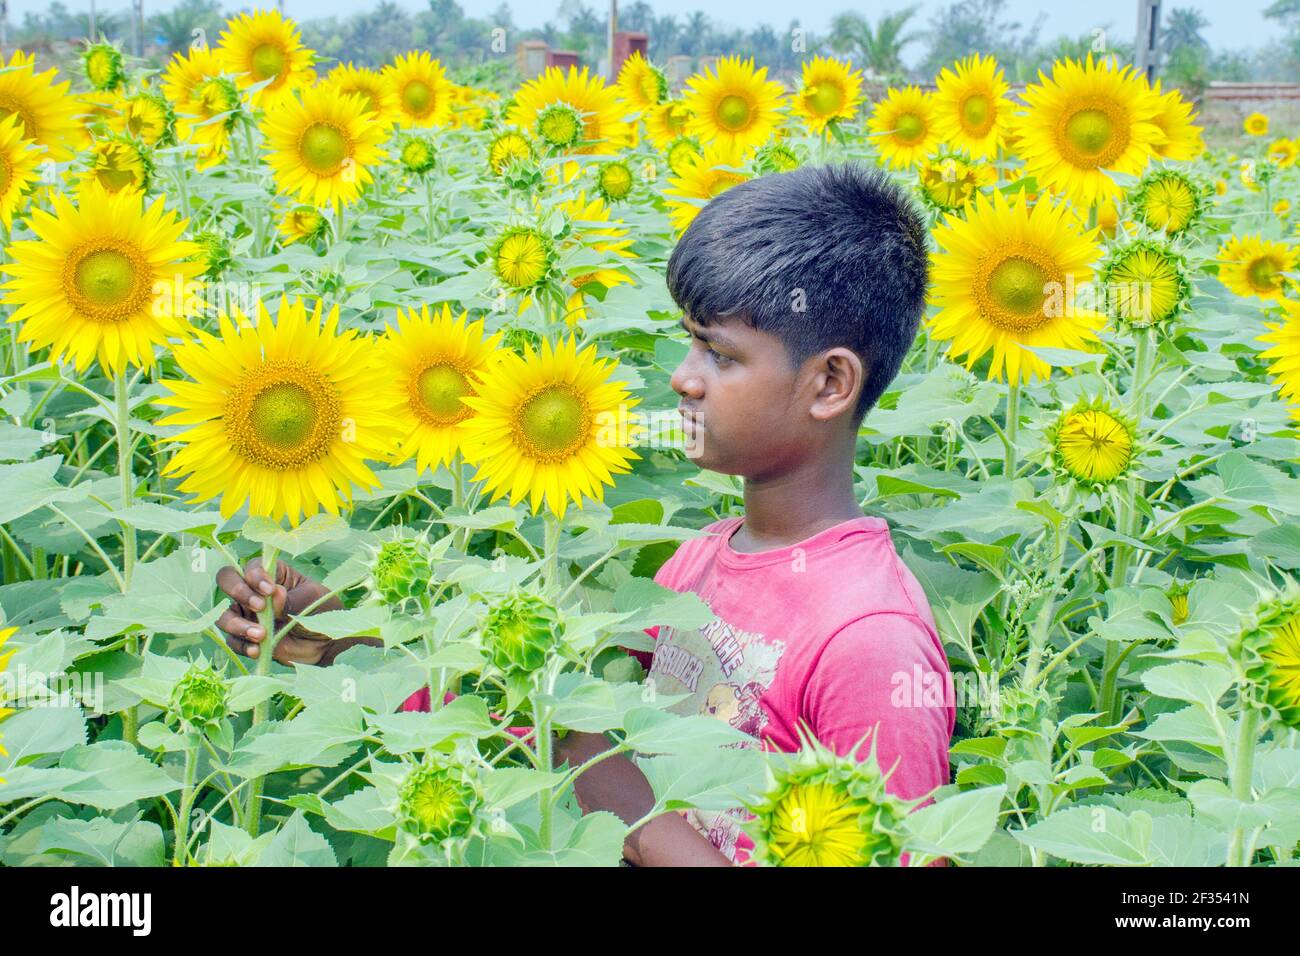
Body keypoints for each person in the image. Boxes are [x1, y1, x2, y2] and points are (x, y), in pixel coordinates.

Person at [214, 162, 954, 866]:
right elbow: (544, 725)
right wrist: (345, 636)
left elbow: (588, 760)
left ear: (830, 383)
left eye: (720, 355)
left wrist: (629, 808)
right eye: (689, 342)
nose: (682, 377)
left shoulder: (870, 643)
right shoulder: (698, 558)